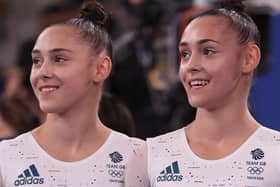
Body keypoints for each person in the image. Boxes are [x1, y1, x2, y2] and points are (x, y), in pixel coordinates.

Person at [125, 0, 280, 186]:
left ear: (249, 58)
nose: (191, 66)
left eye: (208, 51)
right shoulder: (149, 156)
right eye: (185, 54)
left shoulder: (275, 154)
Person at [0, 1, 145, 186]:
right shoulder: (6, 156)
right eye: (37, 61)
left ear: (101, 68)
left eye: (59, 59)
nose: (42, 72)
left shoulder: (137, 156)